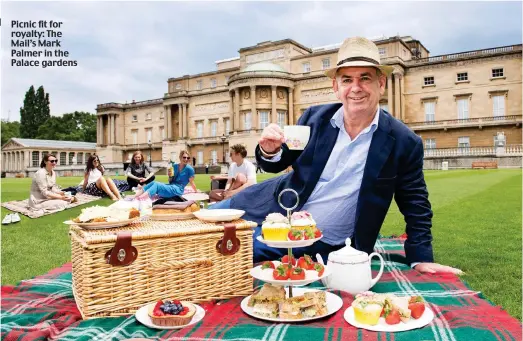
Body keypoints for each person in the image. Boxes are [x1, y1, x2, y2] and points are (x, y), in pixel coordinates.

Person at [210, 37, 461, 275]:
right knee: (193, 224)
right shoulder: (314, 119)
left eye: (365, 78)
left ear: (381, 84)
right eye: (347, 80)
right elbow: (276, 163)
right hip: (268, 208)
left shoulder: (404, 142)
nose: (356, 88)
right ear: (335, 86)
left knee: (216, 250)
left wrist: (421, 256)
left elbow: (415, 203)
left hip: (322, 243)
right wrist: (269, 149)